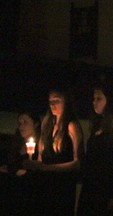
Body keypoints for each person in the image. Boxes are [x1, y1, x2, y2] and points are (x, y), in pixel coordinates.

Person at [23, 87, 84, 216]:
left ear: (66, 102)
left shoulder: (72, 126)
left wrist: (46, 168)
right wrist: (34, 165)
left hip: (62, 188)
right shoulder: (47, 124)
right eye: (50, 101)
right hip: (44, 186)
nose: (52, 104)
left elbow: (78, 163)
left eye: (56, 100)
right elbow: (41, 158)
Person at [77, 85, 113, 216]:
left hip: (105, 187)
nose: (94, 102)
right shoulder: (97, 125)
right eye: (93, 99)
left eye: (99, 98)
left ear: (109, 100)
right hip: (90, 185)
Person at [0, 111, 41, 215]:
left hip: (28, 195)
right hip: (12, 192)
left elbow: (36, 171)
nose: (21, 126)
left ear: (35, 124)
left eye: (25, 122)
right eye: (19, 123)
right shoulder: (17, 144)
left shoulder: (41, 146)